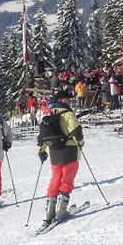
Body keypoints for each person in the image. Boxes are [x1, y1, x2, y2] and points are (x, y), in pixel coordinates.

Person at [37, 90, 85, 226]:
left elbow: (42, 137)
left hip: (54, 152)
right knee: (67, 180)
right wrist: (80, 144)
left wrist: (41, 151)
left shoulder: (49, 115)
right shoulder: (68, 115)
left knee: (55, 180)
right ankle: (62, 210)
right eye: (68, 99)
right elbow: (77, 133)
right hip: (69, 151)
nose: (70, 101)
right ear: (63, 100)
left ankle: (50, 212)